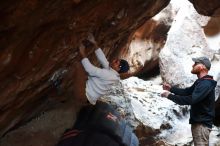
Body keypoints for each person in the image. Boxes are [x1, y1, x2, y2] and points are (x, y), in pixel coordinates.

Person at [161, 56, 217, 146]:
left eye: (195, 63)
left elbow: (191, 99)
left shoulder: (205, 83)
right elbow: (186, 92)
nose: (193, 65)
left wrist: (169, 96)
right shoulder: (201, 82)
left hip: (201, 124)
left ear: (202, 66)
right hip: (199, 123)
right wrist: (171, 89)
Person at [79, 35, 130, 105]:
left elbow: (90, 69)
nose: (114, 60)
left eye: (116, 62)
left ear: (118, 68)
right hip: (90, 98)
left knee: (77, 68)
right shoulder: (114, 74)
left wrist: (82, 52)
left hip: (85, 95)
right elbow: (103, 59)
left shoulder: (109, 75)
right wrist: (94, 43)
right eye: (116, 60)